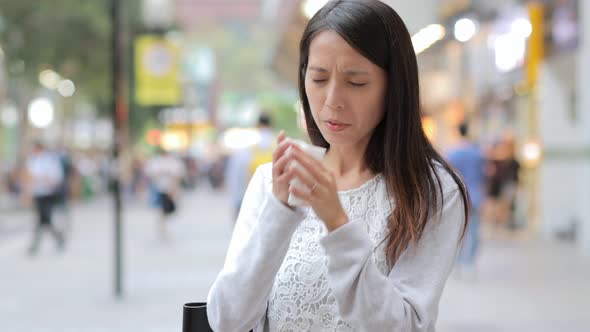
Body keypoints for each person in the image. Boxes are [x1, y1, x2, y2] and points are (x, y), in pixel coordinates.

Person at [206, 1, 469, 331]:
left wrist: (337, 224)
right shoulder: (274, 182)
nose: (332, 100)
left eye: (355, 82)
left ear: (394, 87)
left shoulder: (432, 191)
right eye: (318, 79)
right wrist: (279, 212)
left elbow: (405, 327)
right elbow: (227, 320)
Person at [447, 122, 484, 275]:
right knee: (474, 230)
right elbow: (483, 176)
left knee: (458, 230)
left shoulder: (453, 153)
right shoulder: (477, 153)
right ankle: (469, 262)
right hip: (475, 195)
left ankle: (457, 262)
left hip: (458, 196)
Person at [225, 112, 276, 220]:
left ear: (257, 125)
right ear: (271, 125)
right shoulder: (279, 146)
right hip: (274, 205)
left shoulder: (247, 146)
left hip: (250, 203)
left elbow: (235, 176)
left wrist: (236, 202)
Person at [24, 141, 66, 255]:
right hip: (37, 194)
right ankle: (58, 238)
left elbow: (56, 179)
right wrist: (28, 192)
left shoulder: (50, 161)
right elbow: (29, 178)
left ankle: (35, 245)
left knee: (44, 218)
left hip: (48, 194)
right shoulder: (32, 161)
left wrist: (43, 179)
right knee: (43, 219)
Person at [144, 147, 185, 237]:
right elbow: (150, 173)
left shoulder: (172, 161)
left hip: (169, 188)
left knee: (167, 209)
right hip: (159, 188)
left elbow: (178, 174)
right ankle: (162, 226)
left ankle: (163, 225)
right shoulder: (156, 161)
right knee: (162, 208)